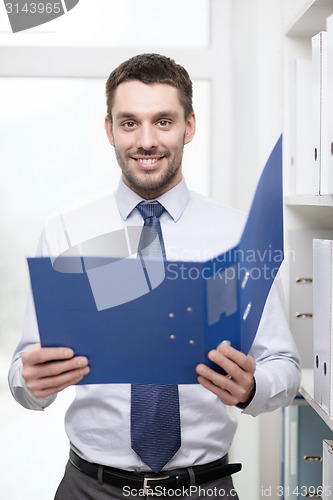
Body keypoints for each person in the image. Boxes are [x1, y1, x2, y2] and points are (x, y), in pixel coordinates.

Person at [8, 53, 301, 499]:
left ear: (189, 126)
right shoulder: (67, 229)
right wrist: (29, 385)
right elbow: (25, 371)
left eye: (163, 121)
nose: (146, 141)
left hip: (206, 487)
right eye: (129, 123)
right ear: (109, 129)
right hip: (90, 487)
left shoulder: (238, 233)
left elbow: (284, 364)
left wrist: (252, 388)